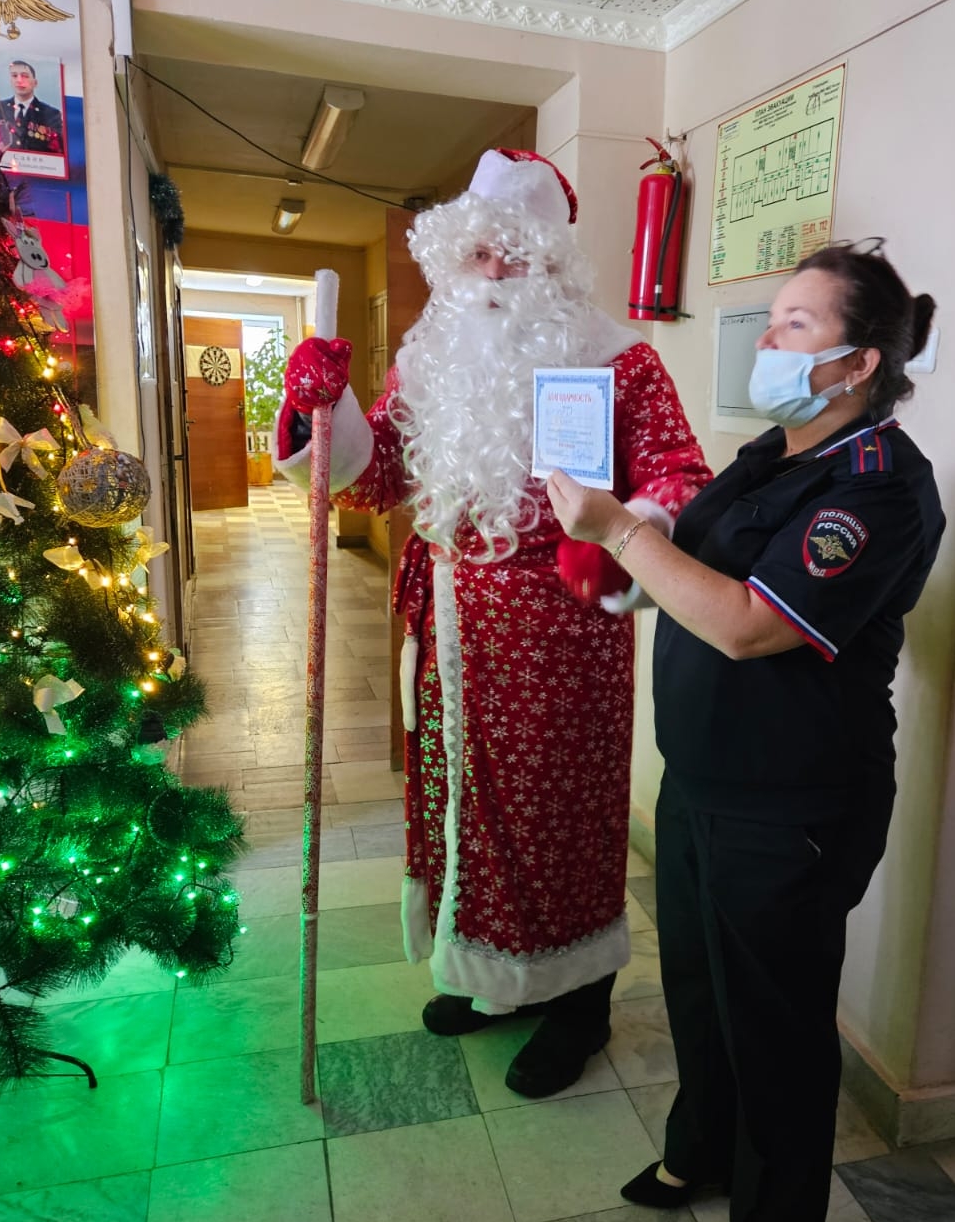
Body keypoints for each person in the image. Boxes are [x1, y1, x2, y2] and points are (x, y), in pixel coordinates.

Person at [546, 239, 944, 1222]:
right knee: (703, 997)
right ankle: (698, 1154)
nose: (766, 339)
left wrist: (621, 531)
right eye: (773, 319)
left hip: (794, 805)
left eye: (794, 325)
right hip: (703, 782)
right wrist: (637, 556)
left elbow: (743, 622)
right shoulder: (770, 452)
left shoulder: (876, 490)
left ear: (857, 362)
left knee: (773, 1026)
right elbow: (697, 567)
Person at [276, 148, 710, 1098]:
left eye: (510, 253)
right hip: (447, 631)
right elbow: (374, 474)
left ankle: (579, 1000)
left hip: (561, 634)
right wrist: (324, 403)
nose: (490, 273)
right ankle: (489, 975)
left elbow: (682, 474)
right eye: (474, 252)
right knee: (459, 805)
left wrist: (628, 537)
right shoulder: (432, 355)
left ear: (550, 259)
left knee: (554, 816)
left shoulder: (615, 359)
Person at [0, 62, 64, 156]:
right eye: (14, 76)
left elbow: (57, 150)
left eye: (25, 76)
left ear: (35, 83)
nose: (19, 80)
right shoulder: (0, 107)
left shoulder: (51, 113)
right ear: (11, 81)